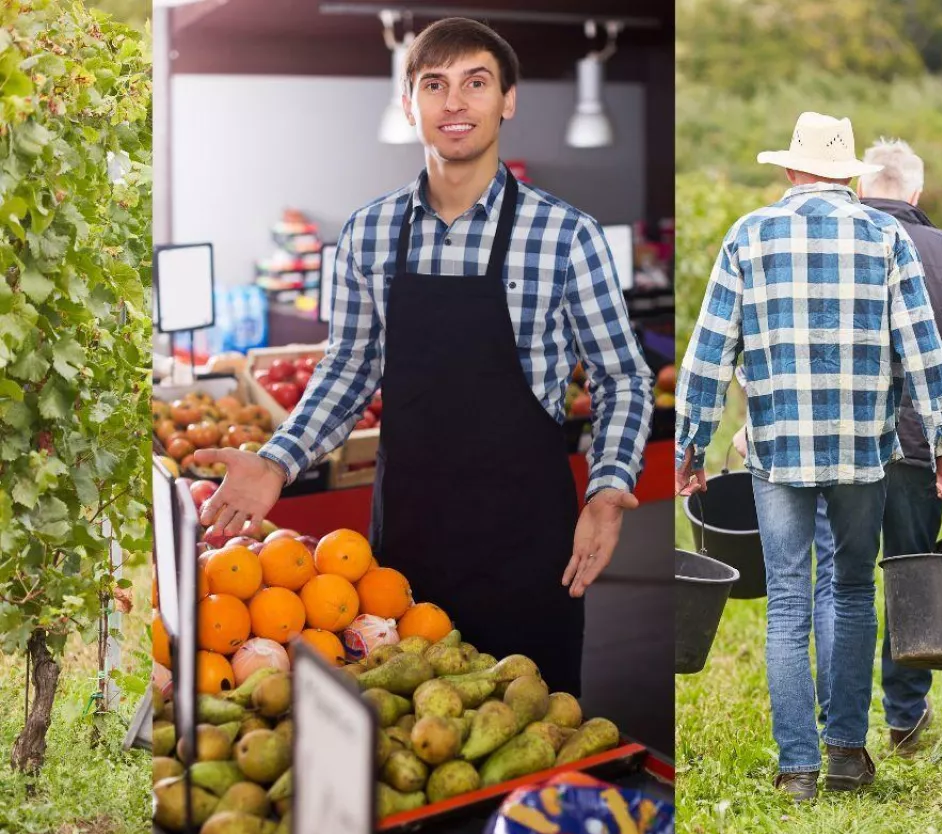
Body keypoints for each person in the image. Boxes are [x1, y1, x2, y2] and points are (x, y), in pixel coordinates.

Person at [192, 18, 653, 696]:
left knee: (533, 726)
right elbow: (349, 370)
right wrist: (277, 460)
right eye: (434, 85)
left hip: (530, 548)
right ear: (409, 104)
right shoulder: (369, 233)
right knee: (407, 731)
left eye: (476, 83)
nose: (455, 103)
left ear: (508, 99)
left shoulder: (567, 235)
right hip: (407, 550)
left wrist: (608, 489)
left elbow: (623, 377)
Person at [675, 112, 942, 802]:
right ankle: (845, 754)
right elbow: (923, 349)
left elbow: (709, 352)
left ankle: (798, 768)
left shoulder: (750, 235)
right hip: (864, 450)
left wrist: (691, 443)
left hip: (779, 449)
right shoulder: (886, 236)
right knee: (853, 589)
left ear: (790, 168)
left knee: (787, 601)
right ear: (849, 177)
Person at [733, 138, 942, 756]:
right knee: (905, 574)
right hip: (901, 444)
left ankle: (829, 725)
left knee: (828, 582)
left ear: (860, 186)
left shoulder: (779, 237)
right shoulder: (939, 251)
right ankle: (900, 717)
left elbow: (764, 343)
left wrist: (744, 421)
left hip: (819, 442)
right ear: (916, 192)